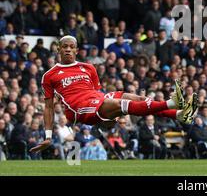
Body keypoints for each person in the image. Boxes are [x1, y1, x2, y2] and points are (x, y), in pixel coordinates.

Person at [30, 36, 198, 154]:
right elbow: (49, 107)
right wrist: (48, 136)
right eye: (64, 46)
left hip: (96, 98)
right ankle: (170, 103)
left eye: (71, 46)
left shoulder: (88, 68)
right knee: (119, 104)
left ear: (76, 50)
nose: (67, 49)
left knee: (139, 99)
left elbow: (96, 90)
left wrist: (104, 110)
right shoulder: (50, 75)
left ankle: (179, 115)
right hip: (77, 109)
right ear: (59, 49)